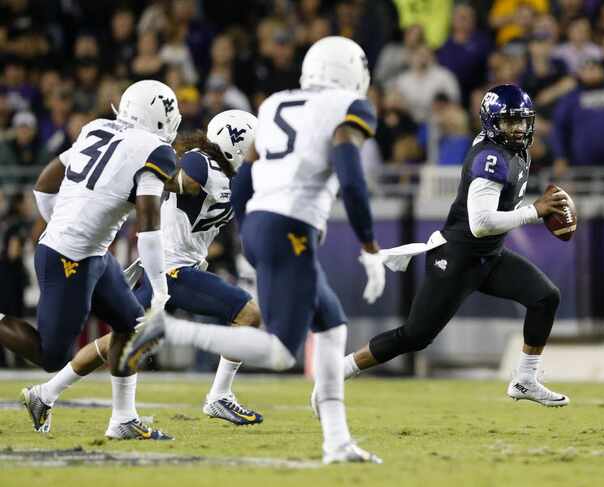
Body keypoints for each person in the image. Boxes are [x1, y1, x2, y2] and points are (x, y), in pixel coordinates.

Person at [126, 36, 386, 464]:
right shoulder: (349, 106)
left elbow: (245, 181)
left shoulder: (275, 103)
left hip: (267, 223)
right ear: (353, 72)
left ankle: (337, 442)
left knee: (332, 323)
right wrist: (370, 244)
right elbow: (351, 176)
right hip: (289, 225)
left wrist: (253, 229)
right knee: (282, 350)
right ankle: (168, 330)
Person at [20, 110, 267, 433]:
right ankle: (219, 395)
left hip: (177, 266)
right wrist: (163, 179)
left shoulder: (232, 176)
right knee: (248, 314)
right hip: (171, 269)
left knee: (124, 338)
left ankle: (45, 393)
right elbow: (182, 178)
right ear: (237, 144)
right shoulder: (200, 163)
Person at [335, 85, 571, 408]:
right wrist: (536, 211)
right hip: (457, 258)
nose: (517, 129)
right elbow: (481, 223)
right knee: (415, 336)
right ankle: (339, 370)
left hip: (489, 256)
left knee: (545, 297)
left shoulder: (519, 151)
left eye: (522, 121)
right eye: (508, 122)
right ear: (491, 123)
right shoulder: (491, 157)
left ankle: (525, 379)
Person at [0, 79, 182, 440]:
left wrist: (63, 221)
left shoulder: (97, 128)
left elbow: (44, 182)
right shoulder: (154, 151)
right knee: (51, 354)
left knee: (130, 327)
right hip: (70, 257)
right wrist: (160, 289)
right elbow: (148, 228)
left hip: (87, 252)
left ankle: (123, 419)